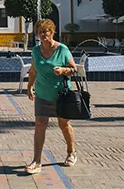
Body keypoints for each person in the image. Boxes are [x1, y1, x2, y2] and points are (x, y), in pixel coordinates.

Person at [26, 19, 78, 174]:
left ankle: (71, 152)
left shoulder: (62, 49)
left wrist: (63, 70)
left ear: (52, 32)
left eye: (45, 32)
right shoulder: (36, 51)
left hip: (60, 94)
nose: (42, 35)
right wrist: (29, 87)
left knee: (64, 125)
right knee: (40, 125)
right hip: (42, 94)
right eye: (40, 32)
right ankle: (37, 161)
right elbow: (33, 71)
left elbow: (74, 69)